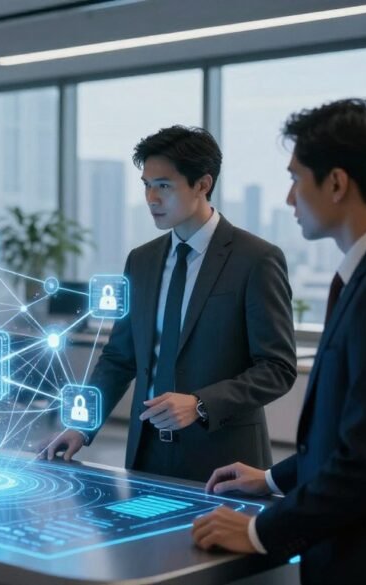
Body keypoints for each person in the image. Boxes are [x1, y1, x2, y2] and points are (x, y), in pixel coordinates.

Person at [193, 99, 366, 585]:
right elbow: (364, 433)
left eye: (296, 177)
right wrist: (273, 479)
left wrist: (261, 531)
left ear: (338, 183)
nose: (289, 198)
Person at [40, 126, 297, 482]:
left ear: (203, 184)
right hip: (145, 452)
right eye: (146, 185)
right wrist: (81, 426)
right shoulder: (141, 261)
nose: (151, 198)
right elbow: (119, 357)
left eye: (164, 186)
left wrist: (201, 404)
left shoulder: (256, 259)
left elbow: (277, 368)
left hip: (225, 458)